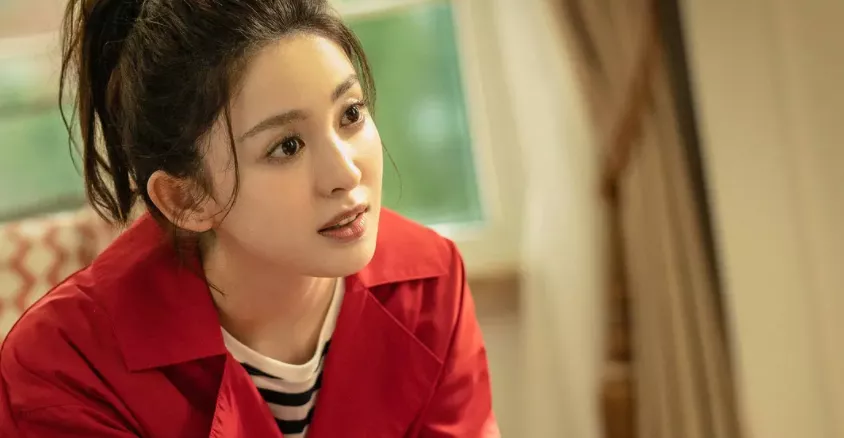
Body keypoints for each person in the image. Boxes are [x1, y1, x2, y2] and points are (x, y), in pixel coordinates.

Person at [0, 0, 498, 436]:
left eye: (350, 114)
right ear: (185, 198)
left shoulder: (430, 284)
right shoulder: (64, 366)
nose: (346, 173)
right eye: (287, 146)